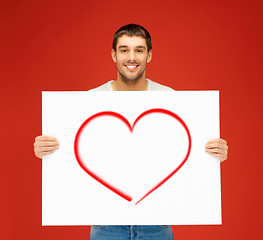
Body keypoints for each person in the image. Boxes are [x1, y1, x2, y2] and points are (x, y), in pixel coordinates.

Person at [34, 24, 228, 240]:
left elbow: (184, 152)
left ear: (149, 55)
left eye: (139, 50)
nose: (131, 57)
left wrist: (213, 153)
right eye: (124, 50)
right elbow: (74, 153)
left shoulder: (170, 98)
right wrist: (48, 150)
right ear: (114, 55)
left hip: (158, 224)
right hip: (106, 224)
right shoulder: (89, 101)